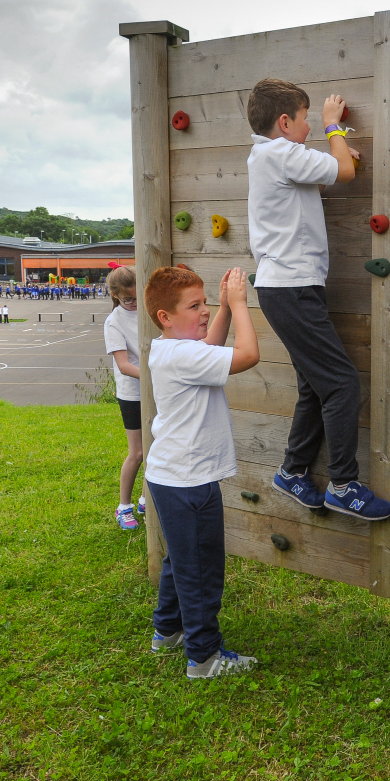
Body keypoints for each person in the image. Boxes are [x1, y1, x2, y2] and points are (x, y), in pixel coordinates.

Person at [244, 78, 390, 522]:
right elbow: (342, 172)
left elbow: (322, 180)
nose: (312, 126)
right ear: (285, 122)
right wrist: (336, 129)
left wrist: (338, 154)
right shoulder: (281, 152)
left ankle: (292, 471)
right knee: (343, 384)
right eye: (307, 119)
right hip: (290, 288)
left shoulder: (270, 157)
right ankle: (344, 485)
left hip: (287, 288)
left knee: (314, 385)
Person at [144, 263, 260, 679]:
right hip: (188, 482)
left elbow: (210, 346)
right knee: (201, 571)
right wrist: (240, 303)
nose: (206, 310)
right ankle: (204, 657)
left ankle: (168, 630)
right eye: (195, 306)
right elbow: (248, 355)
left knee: (181, 560)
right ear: (166, 317)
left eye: (206, 301)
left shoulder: (169, 348)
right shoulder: (183, 354)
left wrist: (224, 308)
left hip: (172, 476)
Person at [104, 265, 147, 530]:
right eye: (126, 299)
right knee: (139, 452)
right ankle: (124, 507)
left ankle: (145, 499)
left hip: (155, 389)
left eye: (136, 297)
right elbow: (124, 365)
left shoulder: (148, 310)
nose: (132, 303)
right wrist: (157, 375)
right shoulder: (114, 321)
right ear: (115, 295)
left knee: (155, 450)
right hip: (133, 393)